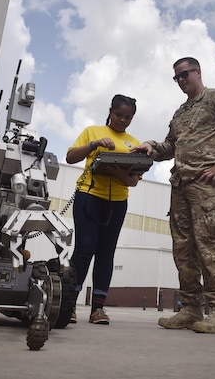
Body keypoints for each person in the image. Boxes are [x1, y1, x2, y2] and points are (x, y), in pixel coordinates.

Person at [134, 57, 215, 334]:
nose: (182, 80)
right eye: (177, 77)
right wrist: (151, 146)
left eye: (186, 74)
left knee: (208, 246)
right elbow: (170, 146)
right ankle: (191, 308)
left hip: (205, 185)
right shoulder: (181, 113)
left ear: (198, 72)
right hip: (180, 185)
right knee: (183, 249)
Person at [66, 94, 141, 325]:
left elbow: (133, 181)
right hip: (89, 197)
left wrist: (117, 171)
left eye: (128, 117)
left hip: (117, 202)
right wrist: (94, 145)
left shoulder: (134, 143)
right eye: (119, 115)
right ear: (110, 111)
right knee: (84, 248)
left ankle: (98, 308)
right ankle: (69, 305)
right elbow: (70, 157)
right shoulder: (93, 131)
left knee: (106, 252)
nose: (122, 121)